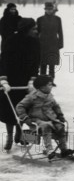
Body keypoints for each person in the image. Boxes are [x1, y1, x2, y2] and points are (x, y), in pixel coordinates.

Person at [15, 75, 74, 161]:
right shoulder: (32, 96)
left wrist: (60, 115)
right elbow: (20, 106)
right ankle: (49, 149)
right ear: (42, 87)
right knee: (46, 126)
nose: (51, 87)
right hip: (37, 120)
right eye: (49, 85)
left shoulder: (50, 96)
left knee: (60, 126)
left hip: (51, 119)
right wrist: (25, 118)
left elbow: (56, 106)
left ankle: (64, 149)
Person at [0, 18, 40, 150]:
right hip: (11, 81)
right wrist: (3, 79)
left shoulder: (34, 42)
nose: (36, 31)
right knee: (9, 110)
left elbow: (36, 62)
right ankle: (10, 136)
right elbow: (3, 60)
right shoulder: (11, 40)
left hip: (25, 80)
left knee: (23, 109)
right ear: (26, 29)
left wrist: (32, 80)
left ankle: (20, 133)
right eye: (33, 29)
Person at [36, 2, 63, 80]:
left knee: (52, 64)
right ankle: (42, 80)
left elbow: (60, 32)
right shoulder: (40, 19)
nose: (49, 11)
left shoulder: (58, 19)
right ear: (45, 9)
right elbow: (37, 32)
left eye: (51, 9)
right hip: (43, 44)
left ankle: (51, 80)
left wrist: (60, 44)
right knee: (43, 63)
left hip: (53, 44)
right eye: (47, 9)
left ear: (53, 9)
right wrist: (36, 44)